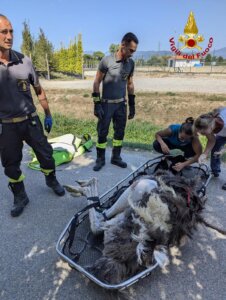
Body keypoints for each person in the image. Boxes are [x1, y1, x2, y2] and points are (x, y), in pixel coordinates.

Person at [0, 14, 65, 217]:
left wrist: (47, 113)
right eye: (4, 32)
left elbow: (39, 89)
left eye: (11, 31)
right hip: (6, 126)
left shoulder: (24, 61)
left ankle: (51, 179)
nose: (10, 36)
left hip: (30, 121)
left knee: (46, 154)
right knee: (11, 165)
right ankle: (20, 196)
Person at [92, 32, 139, 171]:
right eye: (131, 50)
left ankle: (116, 157)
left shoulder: (131, 63)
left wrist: (132, 104)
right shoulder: (106, 61)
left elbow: (130, 84)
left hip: (121, 105)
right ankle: (100, 159)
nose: (132, 54)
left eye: (134, 51)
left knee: (119, 133)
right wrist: (97, 103)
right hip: (106, 105)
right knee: (102, 132)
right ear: (122, 45)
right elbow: (96, 83)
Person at [194, 107, 226, 189]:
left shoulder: (224, 124)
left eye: (204, 133)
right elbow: (212, 141)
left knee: (219, 150)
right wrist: (204, 154)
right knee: (216, 147)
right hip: (222, 131)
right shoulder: (208, 123)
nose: (203, 134)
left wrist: (223, 150)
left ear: (211, 127)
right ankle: (215, 171)